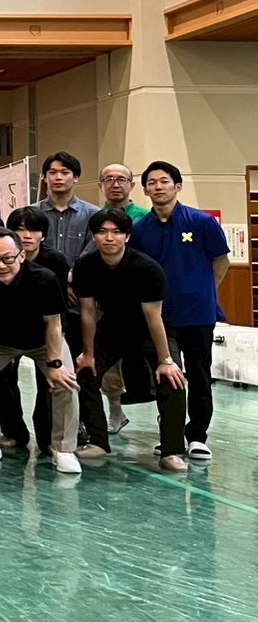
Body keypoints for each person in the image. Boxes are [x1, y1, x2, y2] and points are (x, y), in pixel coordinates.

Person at [0, 228, 82, 475]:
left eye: (8, 258)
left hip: (43, 342)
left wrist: (55, 364)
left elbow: (54, 324)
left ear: (22, 256)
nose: (1, 266)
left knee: (65, 382)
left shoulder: (44, 279)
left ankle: (64, 449)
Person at [73, 208, 189, 471]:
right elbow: (88, 312)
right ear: (94, 237)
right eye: (102, 232)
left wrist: (166, 360)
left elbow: (154, 318)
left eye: (116, 232)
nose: (109, 238)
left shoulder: (147, 268)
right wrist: (88, 354)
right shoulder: (85, 266)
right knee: (85, 374)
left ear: (127, 236)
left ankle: (172, 451)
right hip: (112, 329)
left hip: (151, 330)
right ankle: (98, 441)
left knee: (172, 380)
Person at [130, 161, 229, 462]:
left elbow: (221, 261)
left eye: (164, 181)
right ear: (145, 190)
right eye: (151, 183)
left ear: (178, 187)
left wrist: (204, 292)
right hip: (161, 318)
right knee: (167, 375)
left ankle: (197, 435)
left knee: (199, 374)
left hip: (198, 314)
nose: (158, 187)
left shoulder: (201, 222)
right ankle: (170, 434)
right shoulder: (140, 230)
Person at [0, 206, 74, 453]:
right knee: (0, 378)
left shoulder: (54, 260)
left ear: (43, 235)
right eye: (19, 229)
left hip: (45, 331)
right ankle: (14, 432)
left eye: (33, 230)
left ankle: (48, 439)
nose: (26, 235)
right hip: (5, 331)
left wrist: (56, 348)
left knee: (53, 379)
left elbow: (58, 308)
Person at [34, 152, 98, 264]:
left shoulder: (93, 214)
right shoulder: (32, 213)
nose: (58, 177)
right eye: (52, 173)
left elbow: (93, 252)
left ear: (76, 177)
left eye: (65, 173)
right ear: (45, 178)